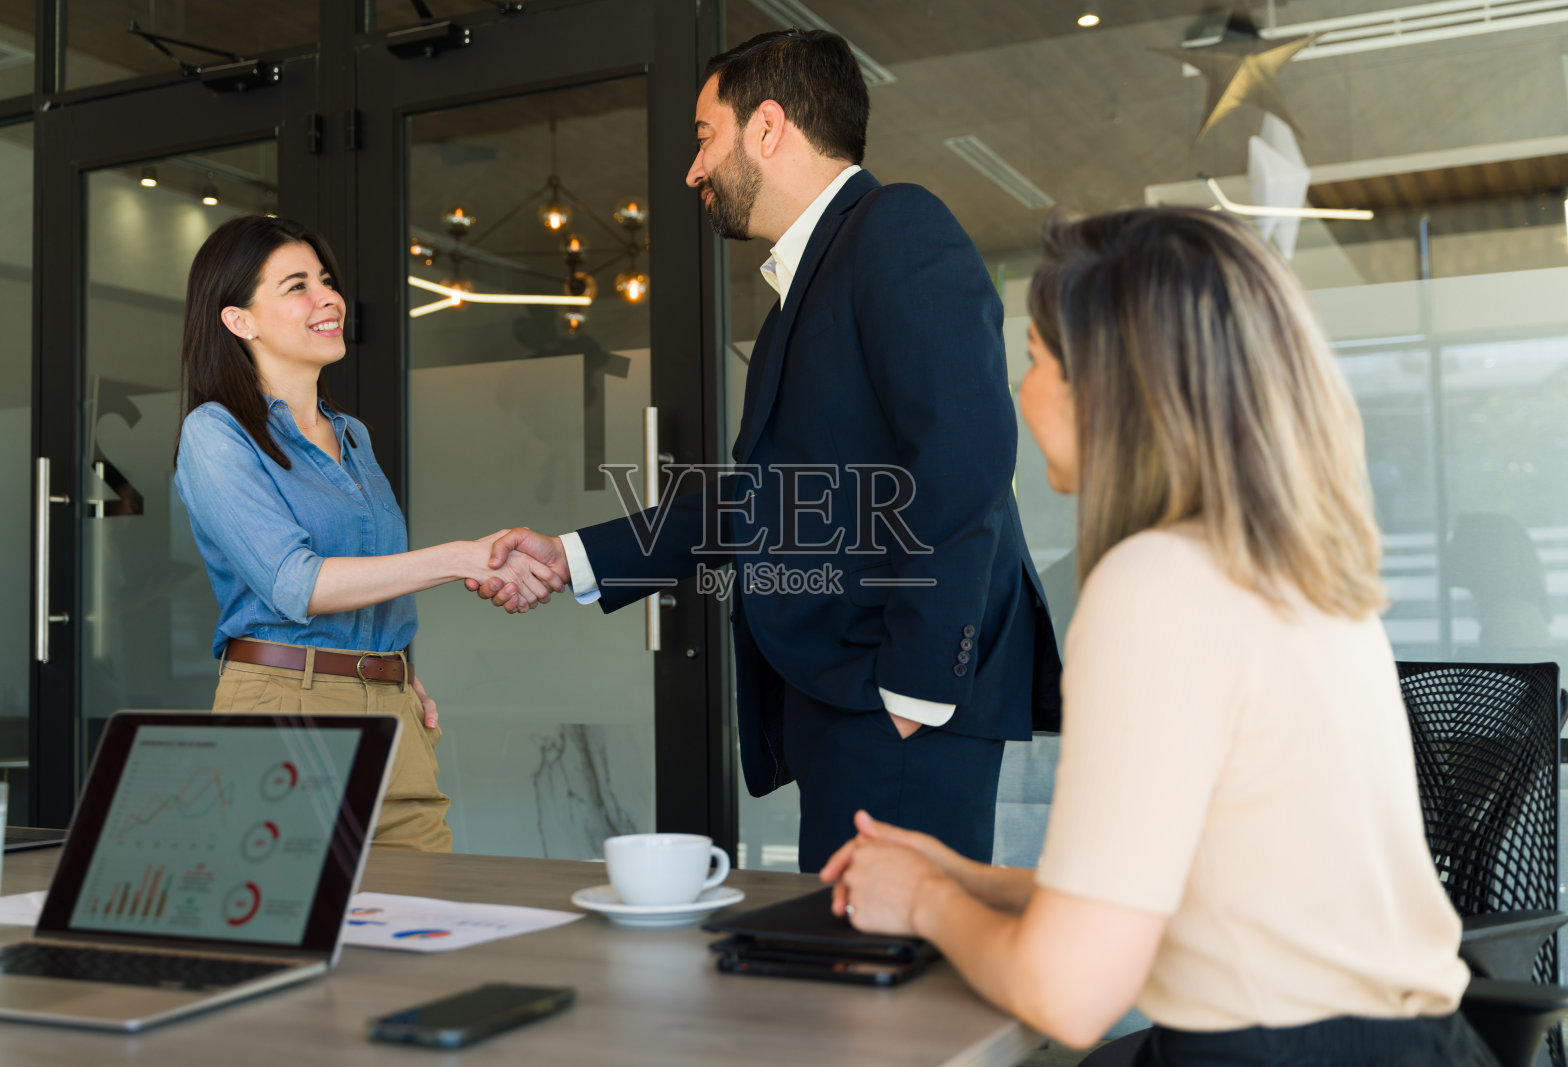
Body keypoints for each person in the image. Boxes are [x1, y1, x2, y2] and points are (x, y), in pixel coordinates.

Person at [821, 207, 1494, 1065]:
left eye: (1034, 360)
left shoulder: (1157, 586)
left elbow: (1070, 994)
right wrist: (965, 878)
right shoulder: (1291, 572)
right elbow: (1198, 897)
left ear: (1102, 386)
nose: (1020, 392)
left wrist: (923, 903)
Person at [474, 29, 1061, 873]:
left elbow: (963, 456)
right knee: (846, 976)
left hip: (895, 699)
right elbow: (765, 497)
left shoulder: (896, 228)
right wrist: (573, 558)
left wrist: (917, 688)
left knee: (881, 983)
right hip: (850, 698)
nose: (693, 169)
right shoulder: (810, 281)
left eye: (704, 135)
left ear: (770, 127)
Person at [173, 215, 561, 852]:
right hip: (282, 706)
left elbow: (369, 578)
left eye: (326, 281)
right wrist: (460, 557)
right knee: (287, 924)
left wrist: (386, 667)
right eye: (297, 286)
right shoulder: (216, 433)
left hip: (391, 706)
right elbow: (292, 582)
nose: (329, 298)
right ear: (240, 320)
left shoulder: (354, 436)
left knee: (424, 918)